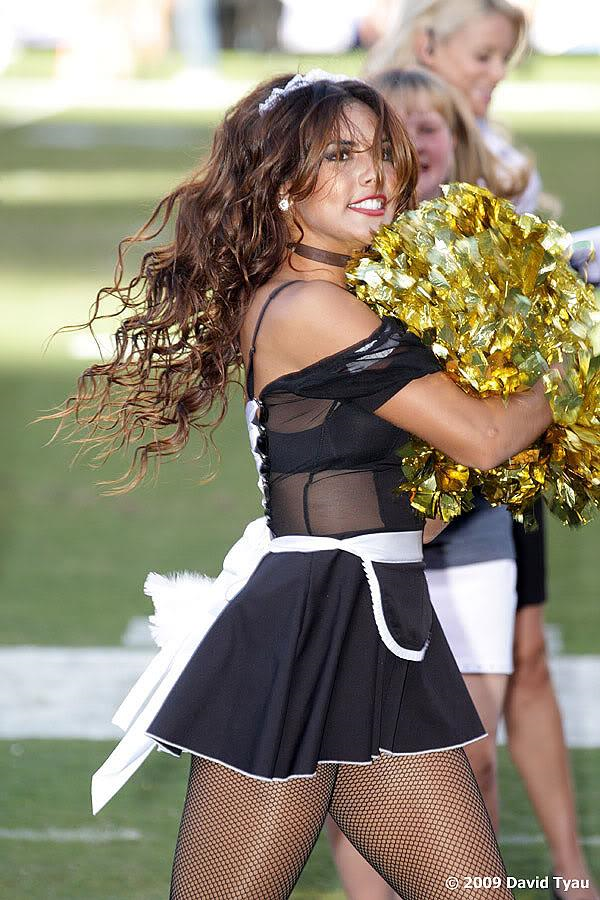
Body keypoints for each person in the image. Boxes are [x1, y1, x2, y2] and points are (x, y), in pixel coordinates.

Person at [55, 71, 559, 898]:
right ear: (284, 186)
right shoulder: (305, 307)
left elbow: (416, 511)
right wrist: (575, 360)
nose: (377, 175)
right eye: (341, 155)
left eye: (381, 153)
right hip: (304, 633)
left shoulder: (344, 298)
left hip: (385, 632)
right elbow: (486, 435)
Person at [361, 5, 599, 898]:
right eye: (485, 54)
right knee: (372, 758)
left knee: (486, 718)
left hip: (486, 482)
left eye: (506, 59)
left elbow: (525, 317)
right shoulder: (346, 181)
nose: (497, 72)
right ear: (429, 43)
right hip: (385, 496)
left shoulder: (495, 173)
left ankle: (565, 874)